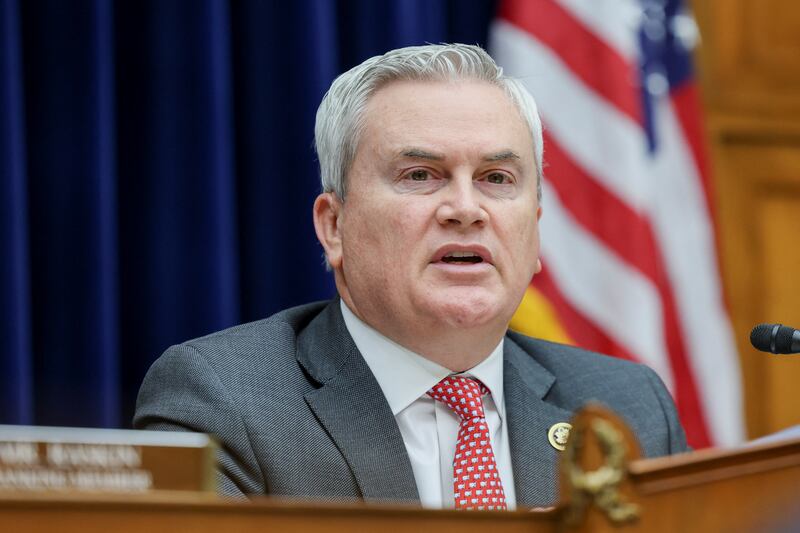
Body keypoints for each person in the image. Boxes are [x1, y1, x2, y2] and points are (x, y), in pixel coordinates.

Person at [134, 43, 688, 510]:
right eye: (421, 175)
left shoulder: (628, 406)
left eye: (496, 178)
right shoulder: (228, 400)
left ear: (535, 231)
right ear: (334, 226)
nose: (466, 209)